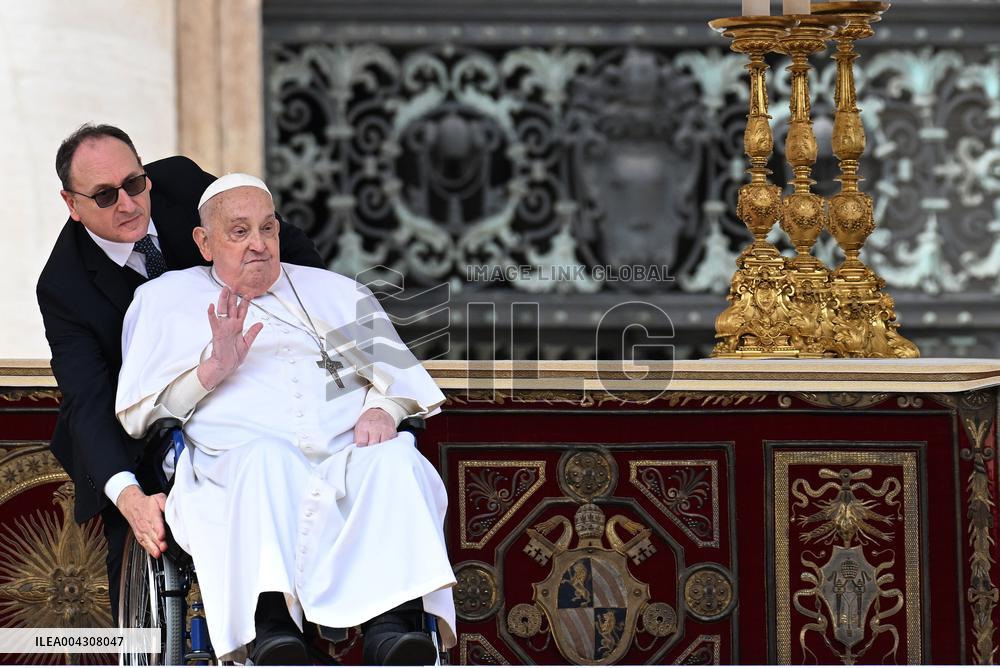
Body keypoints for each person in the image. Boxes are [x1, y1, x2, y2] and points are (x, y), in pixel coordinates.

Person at [114, 173, 455, 665]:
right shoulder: (163, 300)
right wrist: (211, 371)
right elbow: (139, 416)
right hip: (232, 472)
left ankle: (392, 631)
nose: (259, 244)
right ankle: (272, 629)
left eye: (268, 228)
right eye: (240, 231)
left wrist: (384, 408)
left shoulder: (334, 290)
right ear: (204, 242)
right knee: (265, 460)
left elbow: (404, 383)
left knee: (395, 460)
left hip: (344, 464)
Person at [35, 124, 323, 620]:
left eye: (134, 183)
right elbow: (89, 400)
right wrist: (129, 496)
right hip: (141, 423)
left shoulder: (183, 183)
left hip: (249, 389)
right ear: (71, 203)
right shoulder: (64, 285)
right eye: (104, 195)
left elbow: (290, 250)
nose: (128, 204)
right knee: (139, 534)